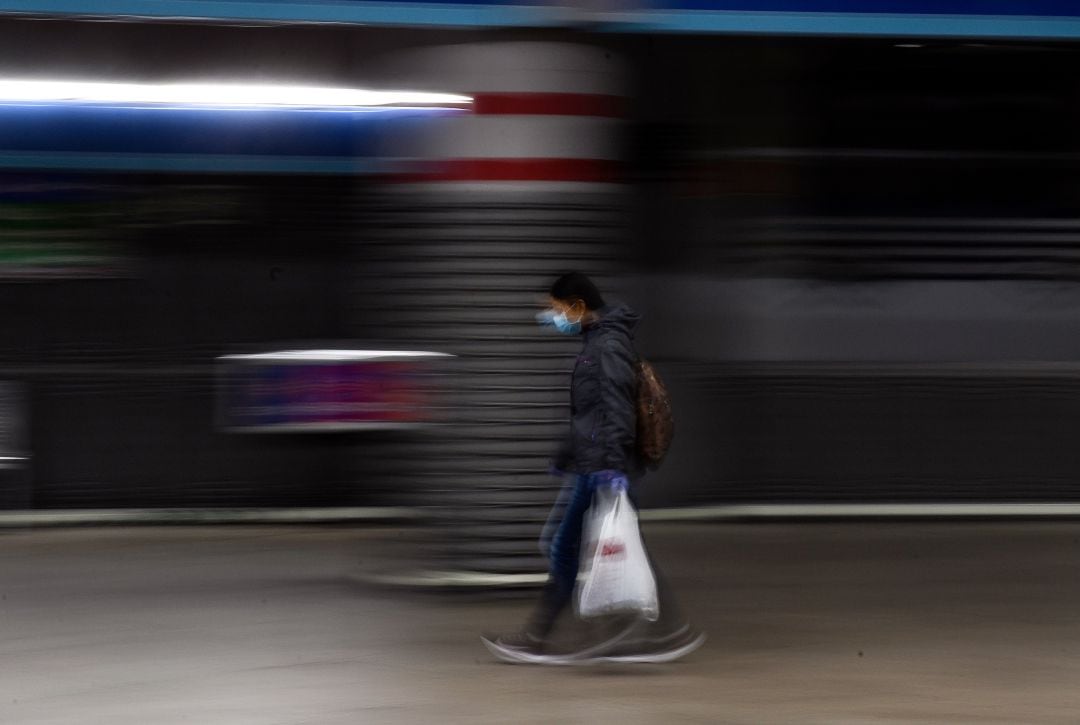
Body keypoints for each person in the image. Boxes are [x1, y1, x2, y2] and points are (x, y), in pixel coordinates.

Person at [482, 272, 704, 665]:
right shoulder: (598, 342)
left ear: (578, 307)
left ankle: (539, 638)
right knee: (614, 545)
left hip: (603, 468)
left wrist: (612, 471)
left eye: (555, 309)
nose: (551, 317)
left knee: (566, 549)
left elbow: (615, 409)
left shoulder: (606, 346)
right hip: (594, 465)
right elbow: (589, 413)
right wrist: (567, 458)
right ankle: (666, 632)